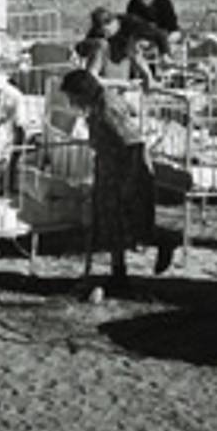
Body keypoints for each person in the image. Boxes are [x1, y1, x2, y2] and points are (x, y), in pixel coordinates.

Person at [59, 69, 176, 292]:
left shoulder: (107, 110)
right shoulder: (99, 104)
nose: (71, 102)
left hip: (127, 171)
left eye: (72, 97)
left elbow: (133, 145)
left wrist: (130, 181)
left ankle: (164, 240)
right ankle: (118, 274)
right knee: (111, 224)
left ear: (82, 92)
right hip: (111, 170)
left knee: (134, 222)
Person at [75, 7, 164, 89]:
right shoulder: (100, 40)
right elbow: (92, 78)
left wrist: (164, 54)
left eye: (106, 31)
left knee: (133, 49)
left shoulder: (131, 23)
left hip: (121, 62)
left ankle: (146, 79)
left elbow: (158, 35)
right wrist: (126, 84)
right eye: (102, 32)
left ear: (113, 22)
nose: (104, 35)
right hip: (105, 69)